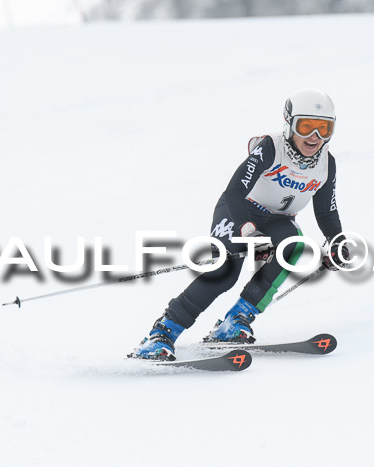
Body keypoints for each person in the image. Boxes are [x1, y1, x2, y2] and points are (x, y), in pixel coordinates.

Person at [129, 88, 349, 361]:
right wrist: (249, 231)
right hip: (239, 212)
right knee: (225, 271)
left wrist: (336, 241)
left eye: (323, 129)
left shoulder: (327, 164)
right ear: (289, 123)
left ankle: (235, 321)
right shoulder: (270, 147)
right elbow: (235, 191)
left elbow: (326, 211)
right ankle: (162, 332)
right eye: (306, 127)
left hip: (278, 220)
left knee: (293, 246)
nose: (314, 137)